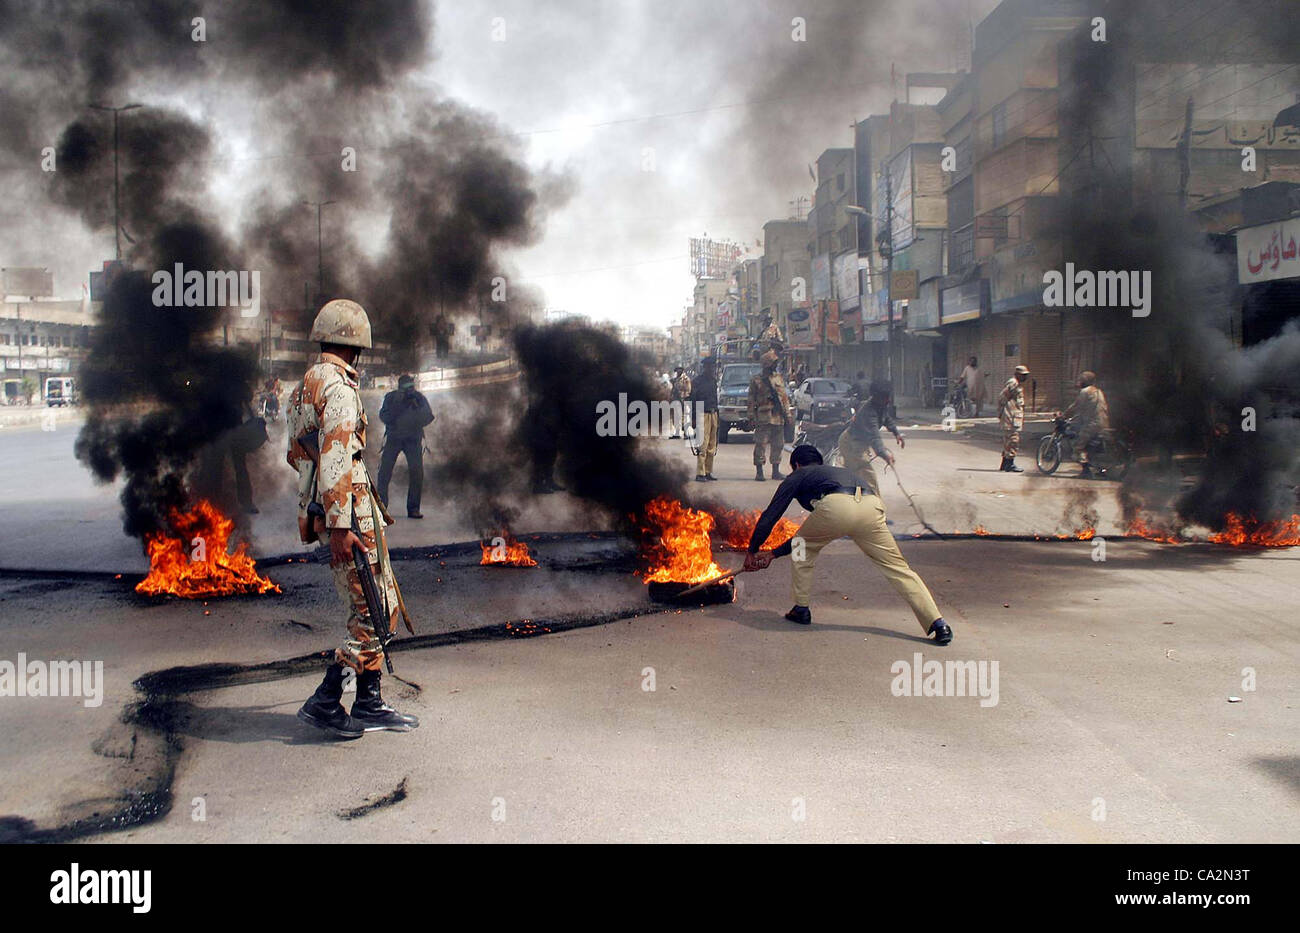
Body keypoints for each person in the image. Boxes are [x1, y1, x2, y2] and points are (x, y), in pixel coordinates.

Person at [287, 299, 418, 739]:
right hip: (352, 516)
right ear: (355, 346)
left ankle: (369, 702)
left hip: (333, 510)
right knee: (374, 612)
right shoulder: (339, 389)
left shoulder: (304, 385)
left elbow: (298, 456)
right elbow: (338, 458)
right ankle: (326, 702)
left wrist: (324, 514)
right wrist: (342, 526)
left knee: (374, 604)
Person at [743, 444, 952, 644]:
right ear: (819, 461)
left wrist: (754, 551)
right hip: (872, 507)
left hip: (837, 506)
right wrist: (772, 554)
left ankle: (801, 608)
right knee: (898, 568)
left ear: (796, 464)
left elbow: (770, 516)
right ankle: (937, 622)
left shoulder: (798, 475)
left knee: (801, 551)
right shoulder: (837, 471)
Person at [833, 379, 904, 497]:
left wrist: (896, 433)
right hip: (850, 444)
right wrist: (884, 454)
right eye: (885, 397)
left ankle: (854, 504)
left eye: (888, 396)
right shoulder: (869, 412)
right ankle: (877, 509)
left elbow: (886, 419)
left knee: (855, 478)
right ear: (876, 397)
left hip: (860, 445)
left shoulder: (881, 405)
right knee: (868, 477)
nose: (888, 400)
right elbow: (875, 438)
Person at [377, 374, 435, 518]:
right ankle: (381, 508)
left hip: (412, 440)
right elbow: (383, 416)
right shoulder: (391, 398)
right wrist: (398, 408)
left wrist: (416, 410)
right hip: (394, 439)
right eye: (406, 386)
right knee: (384, 473)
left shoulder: (419, 398)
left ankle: (413, 508)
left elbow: (429, 416)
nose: (409, 389)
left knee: (417, 474)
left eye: (411, 386)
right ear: (400, 386)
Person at [747, 349, 791, 481]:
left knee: (778, 444)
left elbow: (784, 398)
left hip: (778, 416)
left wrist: (787, 414)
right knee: (761, 444)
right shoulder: (757, 380)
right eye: (773, 363)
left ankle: (775, 471)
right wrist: (751, 417)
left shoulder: (779, 378)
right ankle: (759, 472)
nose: (775, 365)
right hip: (764, 417)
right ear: (767, 364)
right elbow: (751, 400)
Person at [1062, 371, 1110, 478]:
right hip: (1103, 423)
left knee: (1078, 446)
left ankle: (1086, 471)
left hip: (1091, 425)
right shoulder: (1098, 391)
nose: (1079, 381)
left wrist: (1064, 416)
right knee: (1092, 446)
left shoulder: (1085, 392)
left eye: (1081, 380)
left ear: (1085, 381)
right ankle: (1101, 469)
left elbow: (1076, 407)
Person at [690, 355, 719, 482]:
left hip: (713, 414)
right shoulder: (697, 381)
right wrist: (694, 418)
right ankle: (700, 473)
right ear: (705, 367)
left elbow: (715, 399)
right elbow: (693, 401)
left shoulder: (713, 380)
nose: (712, 368)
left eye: (713, 366)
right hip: (702, 414)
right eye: (710, 366)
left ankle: (708, 471)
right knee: (702, 444)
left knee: (712, 445)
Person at [997, 364, 1030, 472]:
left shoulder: (1017, 384)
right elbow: (1002, 398)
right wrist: (1002, 412)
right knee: (1013, 441)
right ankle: (1009, 464)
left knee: (1008, 441)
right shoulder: (1013, 384)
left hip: (1013, 416)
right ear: (1017, 375)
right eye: (1022, 375)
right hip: (1010, 417)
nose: (1025, 377)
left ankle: (1005, 464)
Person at [669, 367, 692, 439]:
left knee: (684, 417)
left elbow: (688, 390)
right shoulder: (675, 379)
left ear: (682, 371)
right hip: (676, 400)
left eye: (679, 370)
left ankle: (685, 433)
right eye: (677, 371)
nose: (678, 372)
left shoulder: (685, 379)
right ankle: (677, 432)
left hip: (683, 399)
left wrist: (682, 394)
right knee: (676, 416)